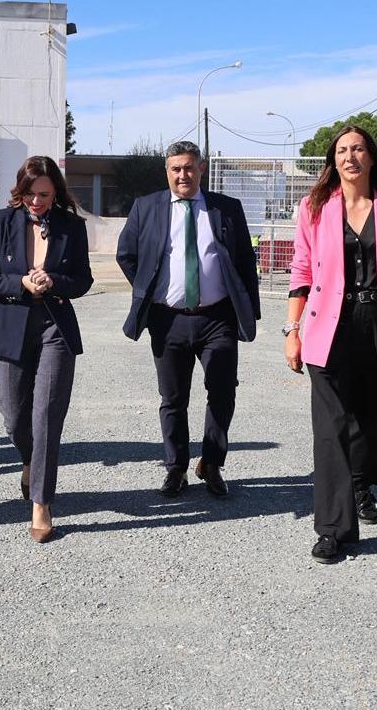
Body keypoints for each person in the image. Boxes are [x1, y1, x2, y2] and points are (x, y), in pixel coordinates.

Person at [285, 126, 377, 564]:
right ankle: (333, 530)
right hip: (328, 326)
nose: (350, 157)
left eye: (358, 149)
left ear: (371, 157)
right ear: (334, 160)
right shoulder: (314, 208)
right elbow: (302, 271)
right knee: (331, 429)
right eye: (342, 150)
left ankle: (362, 481)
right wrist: (291, 331)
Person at [117, 140, 260, 498]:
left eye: (189, 167)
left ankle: (211, 463)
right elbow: (126, 254)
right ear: (167, 171)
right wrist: (149, 288)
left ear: (201, 169)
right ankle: (176, 467)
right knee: (173, 398)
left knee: (223, 392)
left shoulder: (226, 208)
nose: (183, 174)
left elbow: (244, 261)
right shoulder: (146, 208)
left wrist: (247, 310)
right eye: (175, 168)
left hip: (217, 318)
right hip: (169, 320)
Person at [0, 156, 93, 543]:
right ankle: (29, 461)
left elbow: (83, 279)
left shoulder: (72, 227)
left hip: (55, 327)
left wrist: (53, 280)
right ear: (19, 191)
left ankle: (41, 502)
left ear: (55, 190)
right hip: (10, 326)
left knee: (46, 415)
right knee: (13, 415)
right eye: (29, 194)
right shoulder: (0, 222)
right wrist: (20, 283)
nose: (36, 202)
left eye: (43, 194)